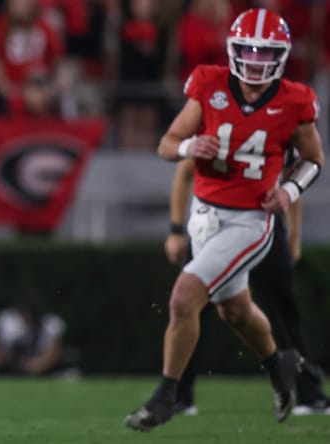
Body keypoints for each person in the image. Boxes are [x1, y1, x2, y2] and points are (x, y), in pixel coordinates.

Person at [124, 8, 325, 431]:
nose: (255, 62)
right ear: (233, 50)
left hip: (250, 221)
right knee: (234, 311)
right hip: (204, 216)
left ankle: (167, 396)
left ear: (282, 56)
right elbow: (166, 144)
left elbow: (313, 161)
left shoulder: (295, 99)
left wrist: (288, 192)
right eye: (248, 51)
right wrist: (189, 147)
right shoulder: (209, 84)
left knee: (183, 297)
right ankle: (279, 363)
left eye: (265, 53)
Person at [166, 156, 330, 416]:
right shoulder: (218, 122)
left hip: (263, 224)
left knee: (283, 310)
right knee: (193, 307)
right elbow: (184, 170)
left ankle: (310, 393)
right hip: (213, 225)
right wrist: (175, 229)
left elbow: (293, 182)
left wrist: (294, 235)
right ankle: (178, 395)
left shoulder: (278, 122)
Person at [0, 291, 78, 376]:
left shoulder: (50, 324)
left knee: (71, 359)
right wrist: (2, 359)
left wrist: (36, 365)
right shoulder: (9, 321)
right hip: (12, 364)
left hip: (40, 364)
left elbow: (54, 350)